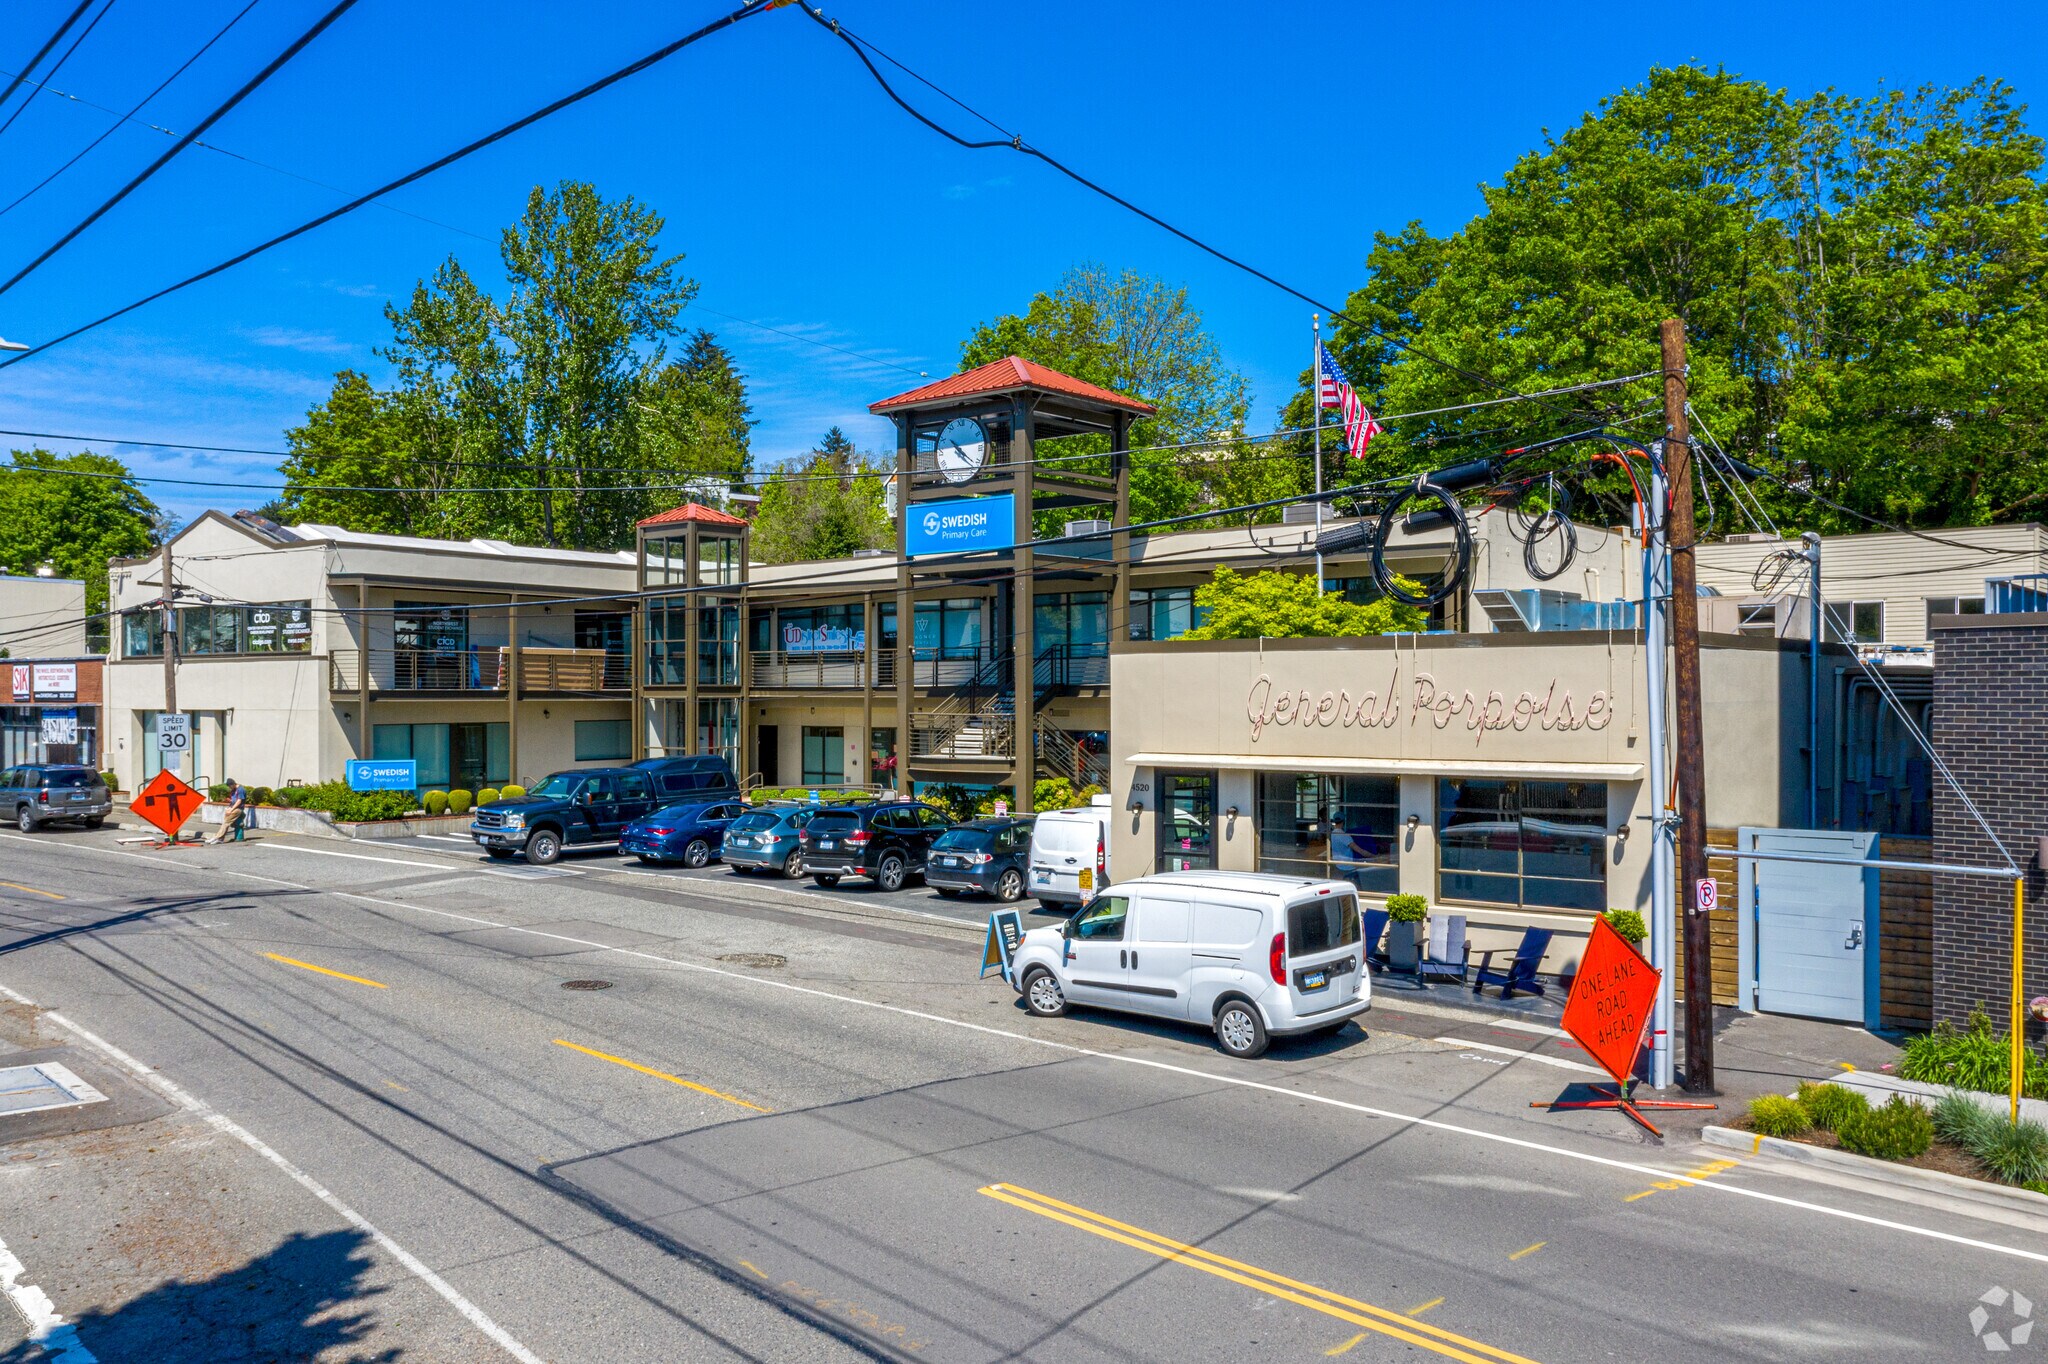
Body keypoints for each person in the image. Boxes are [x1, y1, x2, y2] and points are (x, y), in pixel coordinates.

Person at [210, 778, 248, 844]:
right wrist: (229, 803)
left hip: (238, 809)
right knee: (226, 822)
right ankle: (220, 838)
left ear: (233, 784)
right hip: (233, 808)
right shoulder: (234, 790)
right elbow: (234, 800)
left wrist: (231, 809)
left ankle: (218, 837)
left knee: (226, 822)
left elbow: (239, 801)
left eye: (229, 786)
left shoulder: (240, 789)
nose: (229, 787)